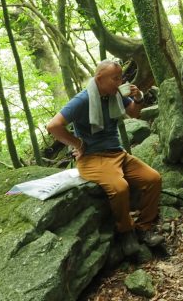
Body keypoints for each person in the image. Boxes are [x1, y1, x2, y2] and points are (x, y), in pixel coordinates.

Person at [46, 60, 163, 254]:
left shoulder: (115, 94)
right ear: (99, 78)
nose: (120, 82)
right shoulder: (83, 100)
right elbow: (53, 126)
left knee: (153, 179)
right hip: (92, 157)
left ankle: (145, 228)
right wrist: (78, 143)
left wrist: (139, 97)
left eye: (121, 78)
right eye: (115, 78)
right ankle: (126, 232)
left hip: (117, 153)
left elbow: (134, 114)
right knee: (119, 187)